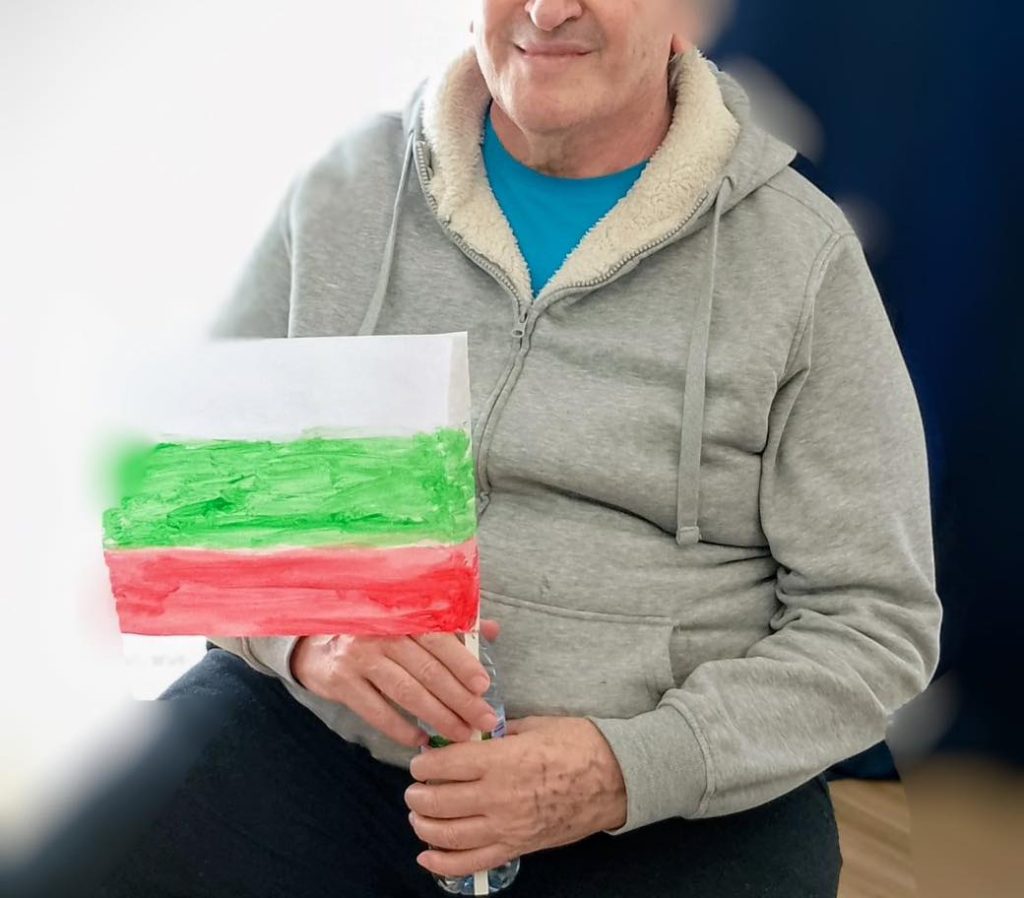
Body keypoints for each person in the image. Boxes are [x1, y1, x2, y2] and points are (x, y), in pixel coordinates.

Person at [95, 1, 942, 895]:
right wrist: (307, 633)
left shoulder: (803, 259)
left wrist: (624, 769)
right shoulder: (345, 189)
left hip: (667, 804)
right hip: (319, 747)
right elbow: (174, 504)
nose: (546, 9)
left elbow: (875, 624)